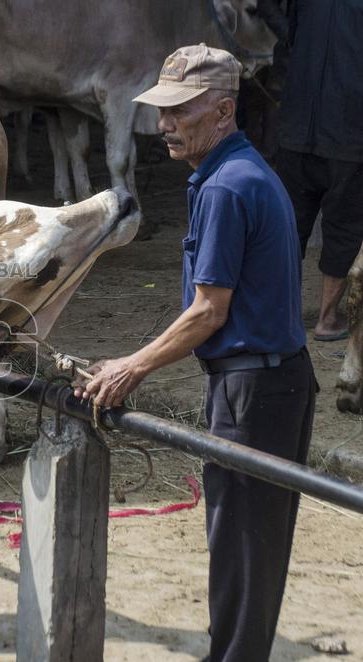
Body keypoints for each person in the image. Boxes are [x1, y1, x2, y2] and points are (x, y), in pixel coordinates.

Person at [74, 44, 316, 662]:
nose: (164, 126)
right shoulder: (241, 174)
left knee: (240, 547)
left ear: (224, 111)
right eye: (162, 111)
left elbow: (210, 311)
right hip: (270, 380)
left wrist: (132, 366)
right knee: (247, 550)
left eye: (179, 111)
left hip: (252, 389)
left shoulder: (227, 188)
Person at [275, 0, 363, 341]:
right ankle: (327, 319)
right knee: (344, 226)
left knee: (288, 225)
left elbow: (283, 27)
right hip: (349, 130)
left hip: (297, 126)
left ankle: (282, 315)